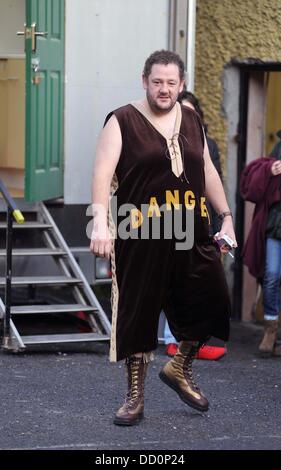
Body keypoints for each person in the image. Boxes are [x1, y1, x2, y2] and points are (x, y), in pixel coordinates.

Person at [90, 49, 236, 426]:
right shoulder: (122, 120)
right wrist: (101, 223)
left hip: (190, 230)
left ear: (182, 84)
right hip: (140, 231)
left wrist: (226, 217)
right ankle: (135, 396)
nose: (164, 89)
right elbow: (103, 174)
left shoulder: (191, 119)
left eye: (172, 83)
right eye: (157, 82)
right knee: (138, 312)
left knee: (214, 298)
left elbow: (206, 171)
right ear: (144, 81)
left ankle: (179, 368)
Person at [163, 90, 227, 361]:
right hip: (169, 218)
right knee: (171, 279)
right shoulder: (160, 141)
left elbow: (215, 181)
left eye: (191, 112)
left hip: (200, 220)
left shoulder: (208, 144)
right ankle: (170, 339)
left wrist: (220, 223)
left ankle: (192, 340)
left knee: (197, 281)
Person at [241, 132, 281, 357]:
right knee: (272, 275)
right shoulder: (278, 149)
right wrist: (271, 169)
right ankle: (270, 328)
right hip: (276, 224)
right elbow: (259, 182)